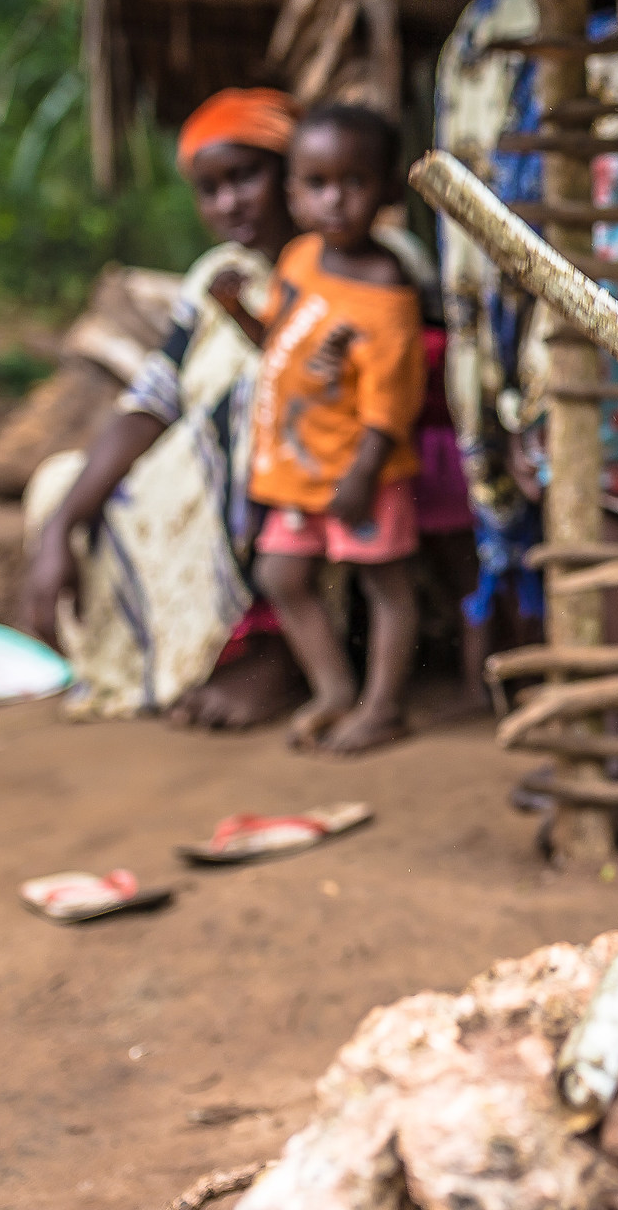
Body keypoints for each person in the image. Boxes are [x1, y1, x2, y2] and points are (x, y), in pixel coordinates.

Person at [19, 89, 308, 727]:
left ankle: (275, 654)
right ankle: (183, 658)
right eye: (210, 189)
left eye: (246, 176)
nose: (228, 202)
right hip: (219, 473)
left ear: (293, 169)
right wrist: (60, 529)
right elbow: (151, 400)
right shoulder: (217, 278)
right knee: (64, 484)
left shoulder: (351, 265)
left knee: (255, 408)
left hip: (312, 483)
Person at [215, 105, 427, 753]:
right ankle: (334, 689)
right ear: (294, 192)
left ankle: (383, 706)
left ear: (388, 190)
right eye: (316, 183)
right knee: (282, 576)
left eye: (354, 182)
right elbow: (278, 344)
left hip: (361, 473)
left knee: (385, 584)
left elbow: (393, 401)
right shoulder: (300, 258)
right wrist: (234, 312)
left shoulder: (389, 288)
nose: (335, 201)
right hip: (299, 471)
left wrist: (363, 473)